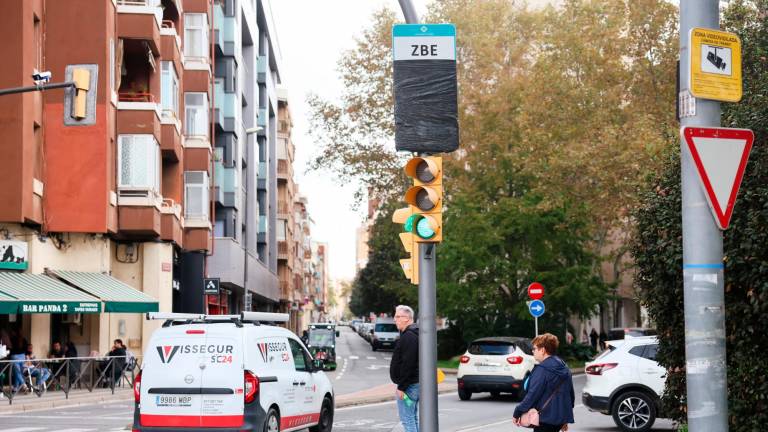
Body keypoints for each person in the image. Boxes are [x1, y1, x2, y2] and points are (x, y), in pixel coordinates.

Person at [513, 333, 575, 432]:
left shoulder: (542, 369)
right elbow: (570, 395)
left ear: (542, 350)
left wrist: (517, 412)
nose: (533, 351)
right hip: (559, 420)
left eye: (534, 349)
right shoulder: (564, 367)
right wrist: (564, 419)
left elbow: (532, 395)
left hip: (545, 419)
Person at [389, 305, 419, 432]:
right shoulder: (414, 334)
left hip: (409, 386)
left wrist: (402, 387)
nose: (395, 319)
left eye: (397, 316)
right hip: (413, 384)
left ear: (407, 318)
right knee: (413, 418)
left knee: (407, 419)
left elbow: (409, 364)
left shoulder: (409, 336)